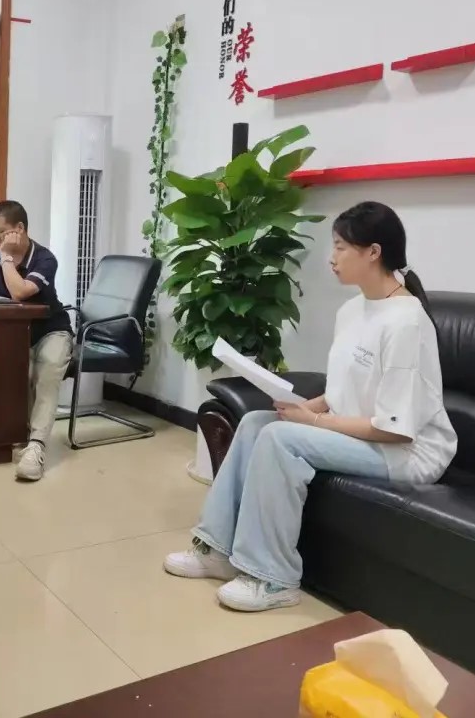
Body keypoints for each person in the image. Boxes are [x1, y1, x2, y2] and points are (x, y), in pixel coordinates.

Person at [164, 201, 457, 612]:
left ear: (373, 252)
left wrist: (314, 421)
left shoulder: (407, 322)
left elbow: (394, 428)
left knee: (281, 439)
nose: (331, 258)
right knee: (256, 423)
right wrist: (303, 405)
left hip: (405, 452)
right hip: (363, 432)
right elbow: (342, 389)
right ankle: (218, 550)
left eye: (341, 247)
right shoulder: (352, 310)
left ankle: (273, 578)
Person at [0, 200, 73, 482]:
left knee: (47, 370)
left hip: (51, 331)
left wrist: (6, 257)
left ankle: (37, 447)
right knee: (7, 371)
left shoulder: (45, 259)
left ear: (19, 229)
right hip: (16, 334)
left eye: (0, 232)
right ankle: (16, 434)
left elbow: (19, 292)